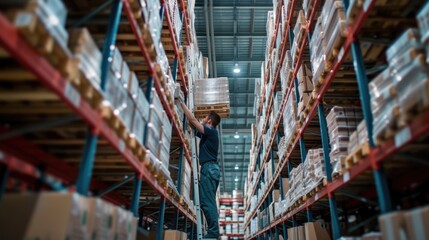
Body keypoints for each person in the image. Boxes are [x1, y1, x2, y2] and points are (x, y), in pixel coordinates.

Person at [180, 101, 221, 239]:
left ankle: (214, 232)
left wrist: (181, 103)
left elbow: (192, 120)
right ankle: (212, 231)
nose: (202, 119)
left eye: (204, 117)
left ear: (209, 121)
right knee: (205, 201)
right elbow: (193, 125)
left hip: (209, 169)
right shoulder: (208, 134)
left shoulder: (210, 131)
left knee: (207, 201)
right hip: (209, 169)